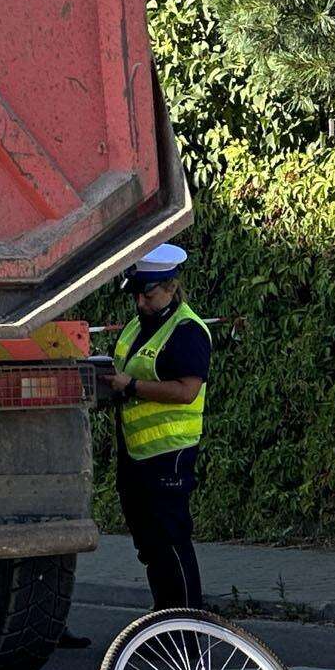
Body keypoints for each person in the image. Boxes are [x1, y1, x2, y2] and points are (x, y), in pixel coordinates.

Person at [103, 244, 210, 610]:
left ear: (170, 286)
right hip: (136, 455)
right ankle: (162, 624)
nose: (140, 303)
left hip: (169, 455)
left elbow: (186, 390)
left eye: (147, 294)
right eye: (136, 294)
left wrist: (131, 387)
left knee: (172, 543)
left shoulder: (187, 331)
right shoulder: (138, 326)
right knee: (150, 545)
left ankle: (186, 631)